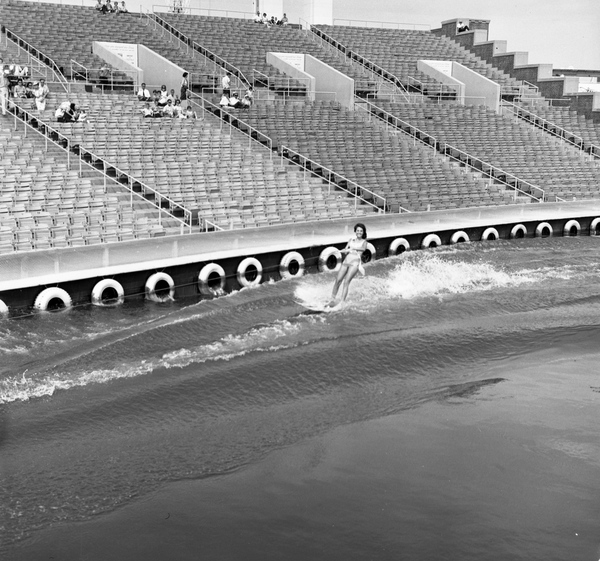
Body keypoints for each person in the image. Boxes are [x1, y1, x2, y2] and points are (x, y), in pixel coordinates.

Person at [327, 223, 368, 306]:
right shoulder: (351, 240)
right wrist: (340, 251)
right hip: (346, 261)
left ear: (363, 232)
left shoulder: (364, 242)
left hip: (355, 263)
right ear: (355, 231)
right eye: (357, 230)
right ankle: (332, 299)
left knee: (346, 282)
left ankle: (342, 302)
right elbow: (346, 249)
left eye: (361, 231)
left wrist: (353, 248)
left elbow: (363, 249)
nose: (359, 232)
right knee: (338, 280)